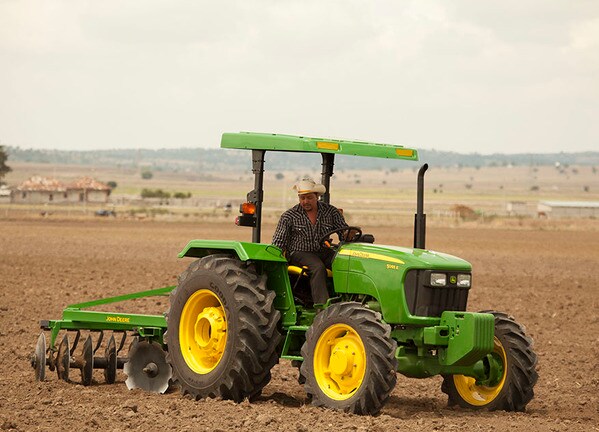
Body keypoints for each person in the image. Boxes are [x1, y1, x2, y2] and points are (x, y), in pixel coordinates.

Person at [272, 178, 348, 305]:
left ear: (317, 196)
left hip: (324, 251)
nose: (305, 201)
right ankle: (322, 307)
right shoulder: (289, 216)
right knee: (318, 268)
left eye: (309, 198)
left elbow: (343, 233)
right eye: (302, 198)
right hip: (300, 252)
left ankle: (346, 301)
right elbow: (278, 243)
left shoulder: (331, 211)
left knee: (345, 263)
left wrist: (349, 234)